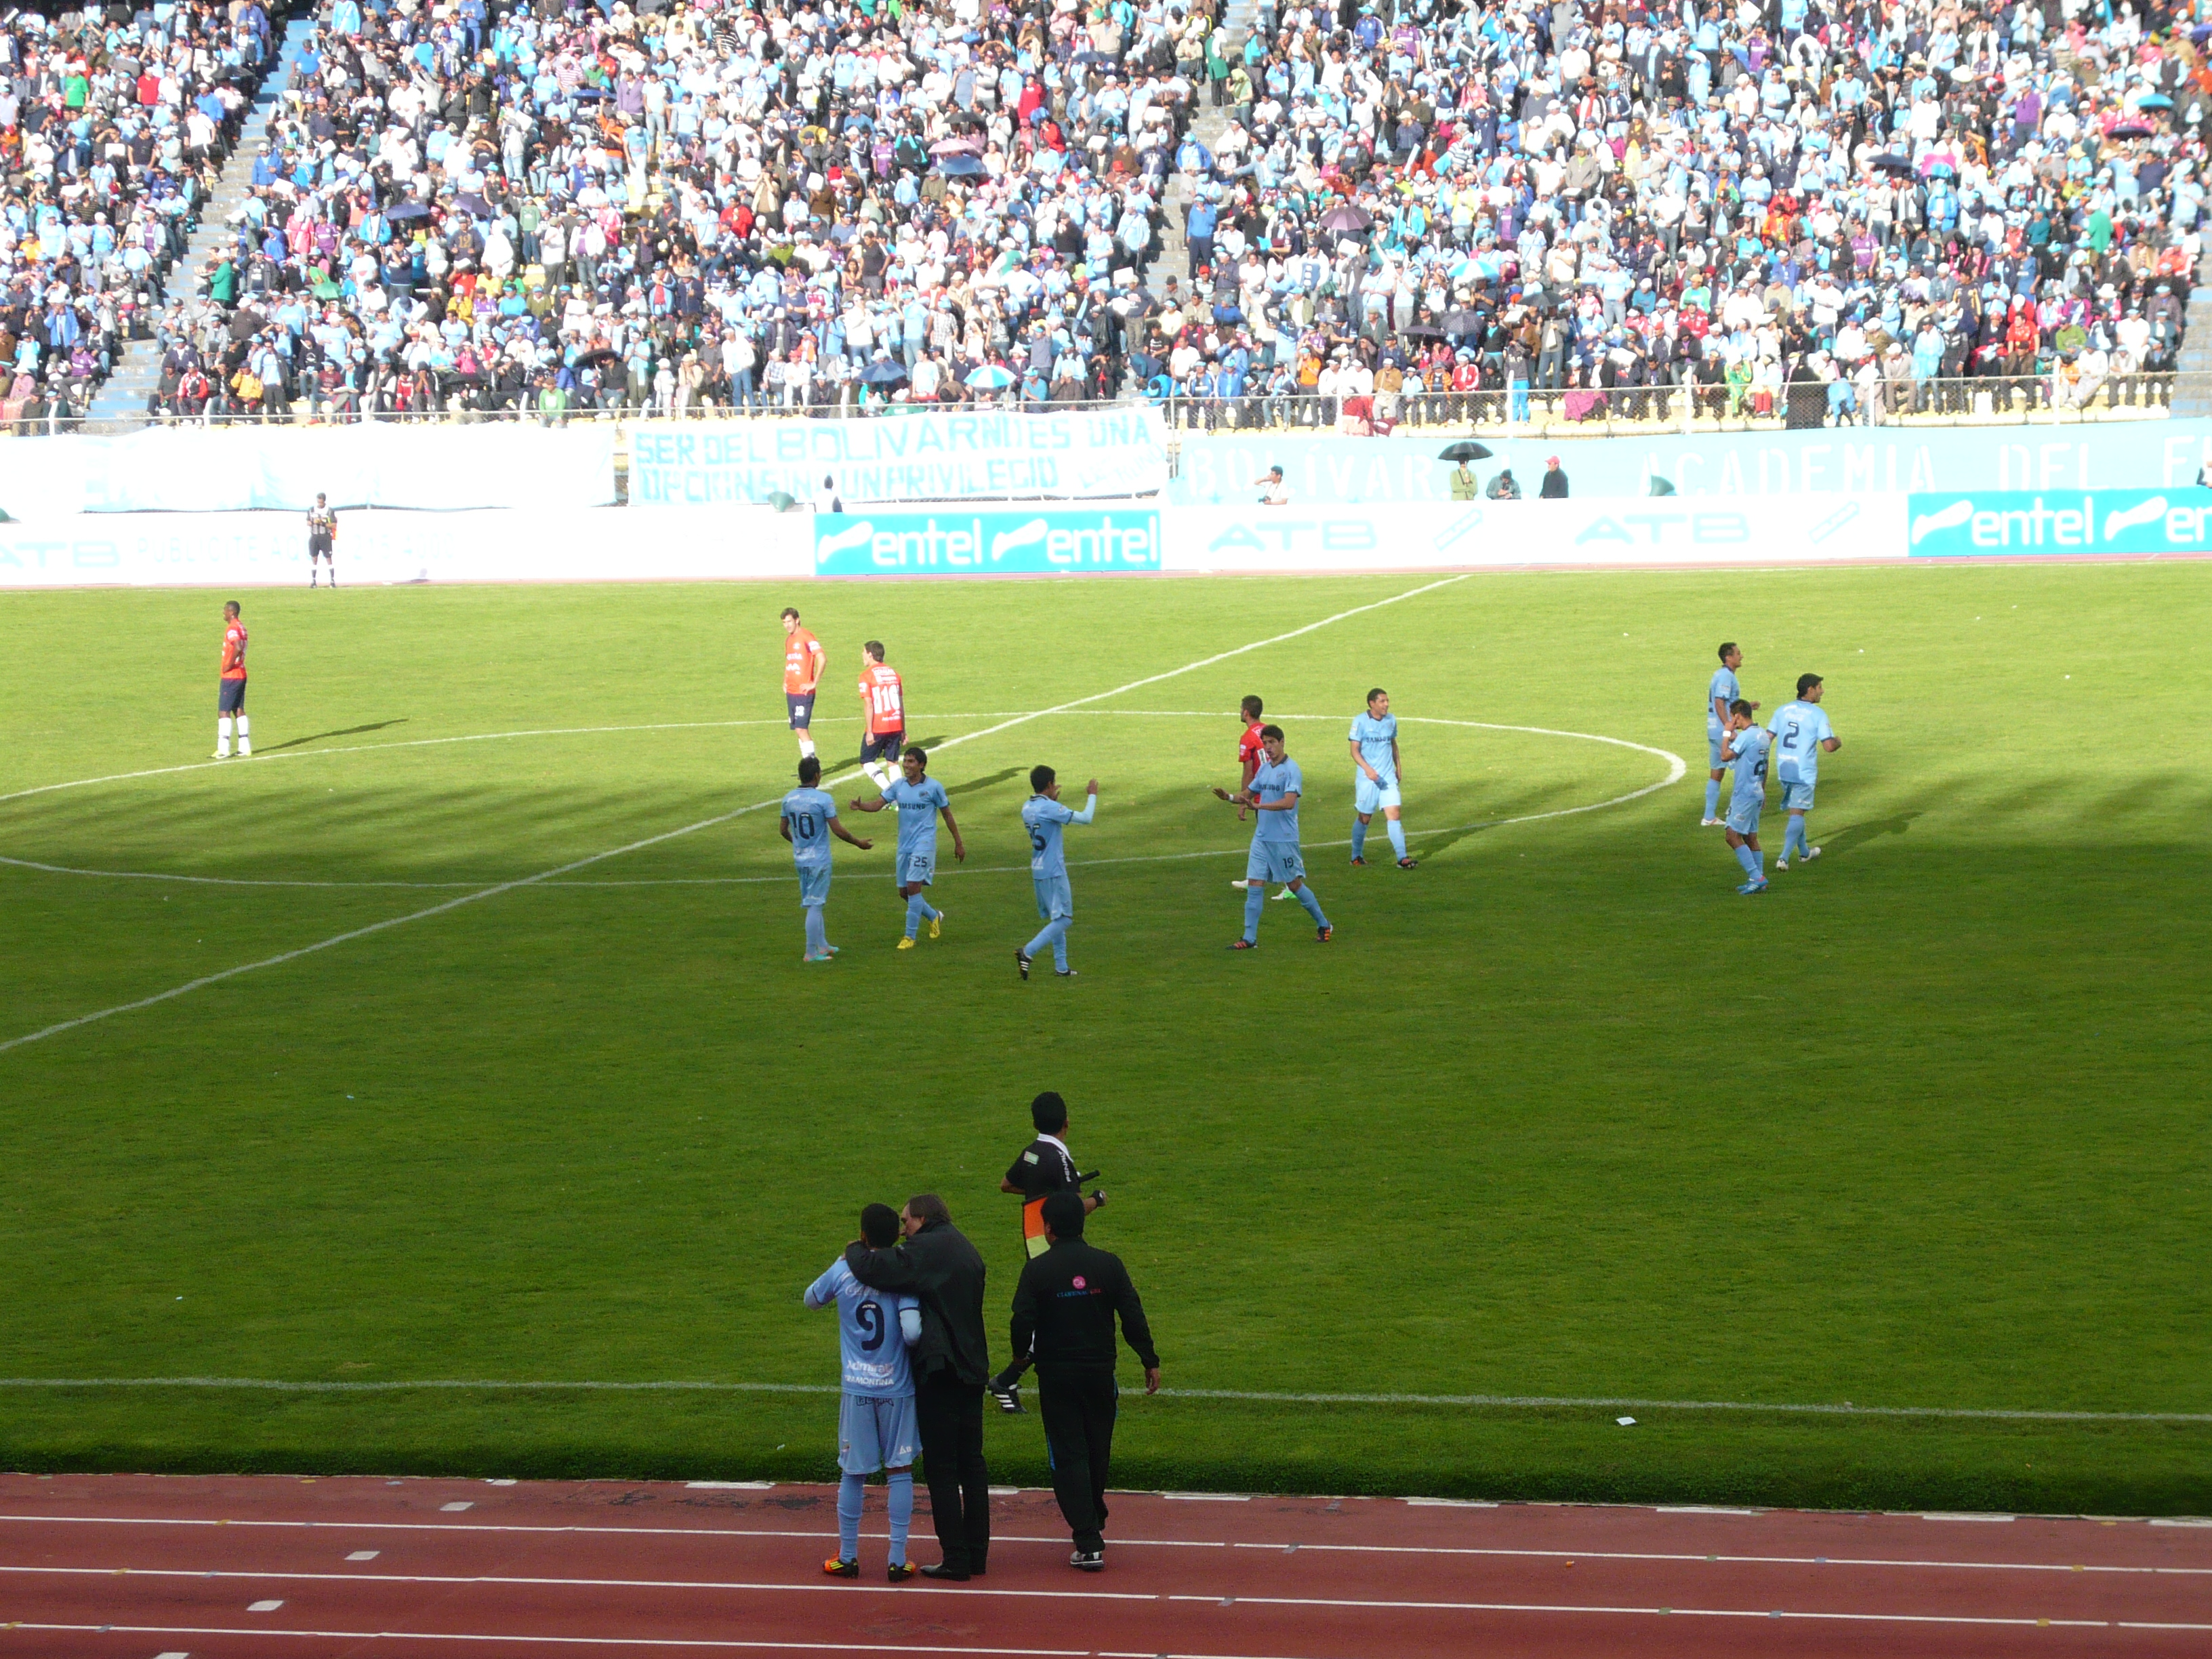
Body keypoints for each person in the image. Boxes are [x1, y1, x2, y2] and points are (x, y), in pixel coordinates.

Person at [1008, 1191, 1160, 1573]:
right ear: (1082, 1222)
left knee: (1068, 1453)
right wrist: (1149, 1359)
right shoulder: (1108, 1265)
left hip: (1057, 1376)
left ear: (1047, 1228)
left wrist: (1019, 1356)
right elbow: (1132, 1314)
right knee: (1097, 1447)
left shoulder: (1037, 1270)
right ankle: (1093, 1515)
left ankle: (1088, 1537)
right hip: (1099, 1374)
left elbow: (1021, 1320)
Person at [844, 1195, 992, 1582]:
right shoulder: (965, 1245)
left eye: (906, 1222)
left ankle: (956, 1559)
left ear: (923, 1219)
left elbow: (875, 1267)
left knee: (942, 1469)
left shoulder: (927, 1248)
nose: (901, 1230)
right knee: (972, 1465)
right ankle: (977, 1554)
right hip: (973, 1367)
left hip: (941, 1370)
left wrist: (854, 1247)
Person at [805, 1203, 922, 1582]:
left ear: (863, 1235)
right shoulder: (902, 1273)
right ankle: (897, 1559)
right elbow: (911, 1333)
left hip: (857, 1387)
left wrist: (843, 1261)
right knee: (900, 1470)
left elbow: (811, 1298)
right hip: (897, 1388)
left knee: (853, 1472)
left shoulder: (844, 1269)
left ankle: (849, 1556)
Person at [987, 1091, 1106, 1415]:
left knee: (1051, 1312)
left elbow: (1006, 1184)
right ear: (1067, 1123)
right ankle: (1008, 1379)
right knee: (1058, 1313)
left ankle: (1012, 1379)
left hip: (1035, 1239)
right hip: (1055, 1243)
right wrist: (1098, 1198)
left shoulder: (1031, 1153)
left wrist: (1040, 1192)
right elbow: (1075, 1211)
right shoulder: (1061, 1160)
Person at [1212, 724, 1332, 947]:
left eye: (1271, 743)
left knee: (1294, 885)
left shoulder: (1292, 770)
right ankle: (1249, 939)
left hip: (1283, 839)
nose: (1268, 747)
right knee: (1255, 885)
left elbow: (1288, 802)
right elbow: (1248, 794)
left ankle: (1324, 924)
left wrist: (1258, 806)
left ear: (1282, 742)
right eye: (1265, 743)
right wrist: (1229, 797)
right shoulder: (1265, 769)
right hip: (1262, 838)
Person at [851, 747, 964, 947]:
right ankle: (934, 916)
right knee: (904, 893)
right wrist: (861, 806)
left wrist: (958, 843)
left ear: (921, 765)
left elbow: (947, 815)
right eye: (905, 761)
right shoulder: (898, 786)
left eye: (911, 762)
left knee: (913, 888)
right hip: (904, 845)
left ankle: (909, 937)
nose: (906, 765)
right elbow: (878, 804)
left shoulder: (934, 787)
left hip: (924, 843)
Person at [781, 756, 873, 963]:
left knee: (814, 902)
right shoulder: (823, 799)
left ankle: (822, 945)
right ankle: (811, 953)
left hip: (801, 860)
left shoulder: (788, 799)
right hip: (819, 860)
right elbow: (838, 830)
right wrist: (858, 843)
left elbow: (782, 830)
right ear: (817, 775)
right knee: (815, 904)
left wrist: (798, 844)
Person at [1017, 766, 1097, 980]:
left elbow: (1045, 820)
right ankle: (1028, 951)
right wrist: (1092, 796)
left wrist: (1052, 802)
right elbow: (1086, 818)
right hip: (1054, 870)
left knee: (1057, 918)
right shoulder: (1050, 808)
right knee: (1065, 919)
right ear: (1051, 785)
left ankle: (1061, 967)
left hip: (1038, 869)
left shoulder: (1027, 807)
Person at [1767, 675, 1841, 870]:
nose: (1822, 691)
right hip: (1803, 771)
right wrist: (1838, 741)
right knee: (1797, 814)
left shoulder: (1782, 710)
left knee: (1797, 811)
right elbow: (1829, 747)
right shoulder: (1817, 714)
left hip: (1784, 769)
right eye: (1819, 687)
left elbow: (1767, 738)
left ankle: (1805, 853)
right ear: (1810, 690)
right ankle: (1783, 858)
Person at [1227, 695, 1295, 902]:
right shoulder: (1267, 732)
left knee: (1272, 840)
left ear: (1246, 712)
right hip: (1274, 787)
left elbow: (1248, 772)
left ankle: (1290, 885)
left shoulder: (1247, 737)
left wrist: (1242, 802)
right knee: (1263, 839)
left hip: (1261, 795)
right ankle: (1255, 878)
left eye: (1241, 709)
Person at [1348, 688, 1415, 869]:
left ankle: (1402, 857)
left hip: (1387, 778)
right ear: (1372, 703)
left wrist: (1398, 768)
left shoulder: (1391, 720)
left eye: (1387, 701)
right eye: (1382, 701)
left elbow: (1393, 744)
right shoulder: (1360, 722)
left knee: (1394, 815)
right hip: (1367, 779)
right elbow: (1354, 750)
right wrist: (1368, 770)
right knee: (1364, 817)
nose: (1387, 704)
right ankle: (1356, 856)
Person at [1719, 701, 1771, 895]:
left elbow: (1724, 756)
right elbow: (1765, 766)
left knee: (1731, 836)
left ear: (1738, 716)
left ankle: (1757, 877)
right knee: (1750, 837)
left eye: (1733, 718)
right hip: (1757, 791)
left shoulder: (1747, 736)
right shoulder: (1763, 735)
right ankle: (1760, 881)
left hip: (1744, 794)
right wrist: (1763, 791)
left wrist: (1726, 733)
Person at [1702, 643, 1757, 827]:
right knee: (1744, 771)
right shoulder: (1726, 676)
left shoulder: (1720, 674)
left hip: (1713, 730)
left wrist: (1747, 705)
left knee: (1717, 772)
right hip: (1723, 731)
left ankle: (1709, 817)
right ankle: (1736, 812)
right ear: (1728, 657)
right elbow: (1720, 702)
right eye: (1738, 653)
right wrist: (1730, 728)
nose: (1741, 656)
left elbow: (1726, 702)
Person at [856, 641, 905, 790]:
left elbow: (869, 704)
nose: (862, 655)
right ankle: (901, 797)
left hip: (879, 726)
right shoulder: (894, 673)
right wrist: (903, 729)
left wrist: (870, 731)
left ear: (870, 654)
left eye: (864, 652)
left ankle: (890, 794)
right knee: (893, 761)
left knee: (867, 761)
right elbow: (901, 703)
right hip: (896, 723)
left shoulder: (866, 676)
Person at [782, 609, 828, 764]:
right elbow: (790, 661)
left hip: (804, 692)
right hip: (791, 691)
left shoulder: (806, 637)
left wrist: (814, 682)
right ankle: (807, 765)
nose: (787, 625)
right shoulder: (789, 640)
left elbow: (822, 657)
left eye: (789, 621)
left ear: (797, 620)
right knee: (798, 729)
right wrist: (785, 680)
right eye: (784, 623)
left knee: (802, 729)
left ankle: (812, 766)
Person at [214, 601, 251, 759]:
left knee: (223, 711)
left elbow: (237, 646)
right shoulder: (242, 626)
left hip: (232, 676)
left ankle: (223, 749)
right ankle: (245, 747)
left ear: (231, 612)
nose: (223, 613)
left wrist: (228, 665)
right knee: (239, 710)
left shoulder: (233, 628)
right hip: (241, 673)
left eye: (225, 610)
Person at [306, 493, 337, 587]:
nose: (319, 504)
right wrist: (313, 522)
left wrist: (322, 523)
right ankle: (313, 581)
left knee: (328, 558)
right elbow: (308, 522)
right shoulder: (311, 510)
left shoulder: (329, 510)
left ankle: (332, 581)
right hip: (314, 536)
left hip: (325, 536)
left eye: (321, 502)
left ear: (324, 501)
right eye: (318, 502)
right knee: (314, 558)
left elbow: (333, 525)